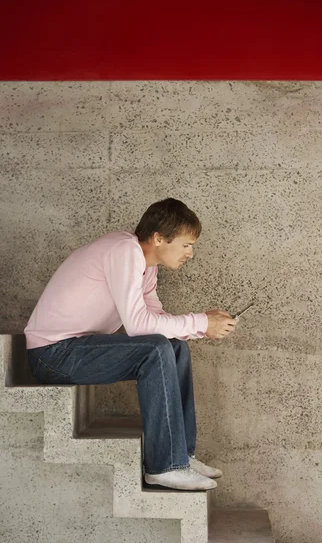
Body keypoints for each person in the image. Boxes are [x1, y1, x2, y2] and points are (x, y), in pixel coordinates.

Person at [25, 198, 236, 491]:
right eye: (186, 244)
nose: (191, 253)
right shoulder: (124, 250)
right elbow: (138, 326)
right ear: (159, 237)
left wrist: (205, 328)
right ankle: (164, 467)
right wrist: (200, 321)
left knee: (174, 347)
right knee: (155, 349)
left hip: (79, 346)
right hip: (52, 354)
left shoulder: (147, 267)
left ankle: (182, 456)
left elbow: (156, 319)